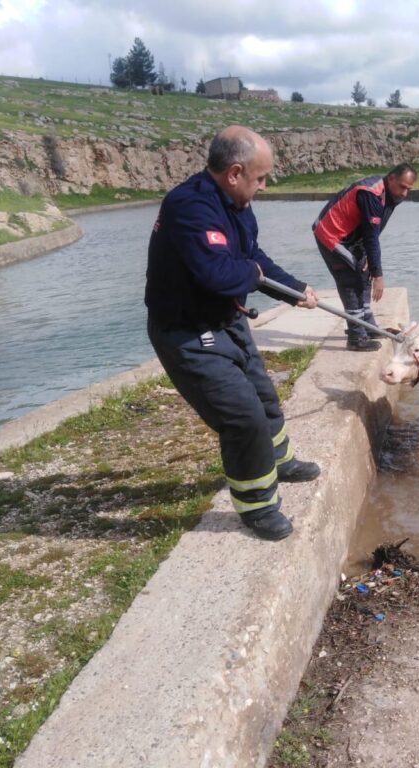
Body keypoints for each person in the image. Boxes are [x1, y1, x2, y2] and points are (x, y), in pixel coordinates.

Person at [145, 125, 321, 542]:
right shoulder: (189, 207)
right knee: (243, 418)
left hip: (226, 321)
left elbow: (251, 258)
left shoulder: (237, 206)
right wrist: (255, 275)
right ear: (235, 172)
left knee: (264, 396)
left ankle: (280, 461)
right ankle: (257, 505)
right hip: (187, 333)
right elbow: (220, 275)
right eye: (261, 178)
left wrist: (294, 290)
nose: (263, 186)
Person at [313, 163, 417, 351]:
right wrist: (379, 276)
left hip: (352, 237)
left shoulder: (392, 195)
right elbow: (371, 236)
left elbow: (373, 231)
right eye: (402, 187)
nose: (404, 193)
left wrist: (371, 263)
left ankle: (368, 327)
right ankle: (356, 337)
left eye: (409, 189)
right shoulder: (371, 193)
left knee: (364, 272)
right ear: (391, 178)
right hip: (332, 235)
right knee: (350, 280)